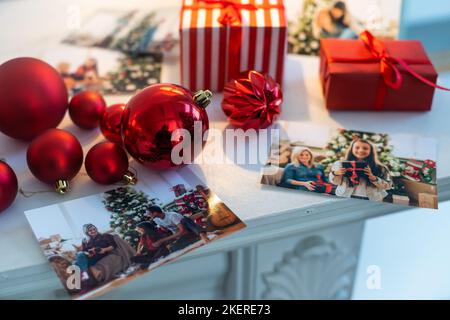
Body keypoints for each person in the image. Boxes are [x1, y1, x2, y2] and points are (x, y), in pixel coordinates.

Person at [146, 205, 210, 252]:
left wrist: (162, 240)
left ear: (155, 213)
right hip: (182, 236)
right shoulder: (156, 220)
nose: (147, 215)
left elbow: (182, 230)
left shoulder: (172, 215)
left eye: (149, 213)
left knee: (184, 220)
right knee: (174, 248)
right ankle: (197, 238)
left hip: (188, 230)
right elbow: (167, 230)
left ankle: (203, 235)